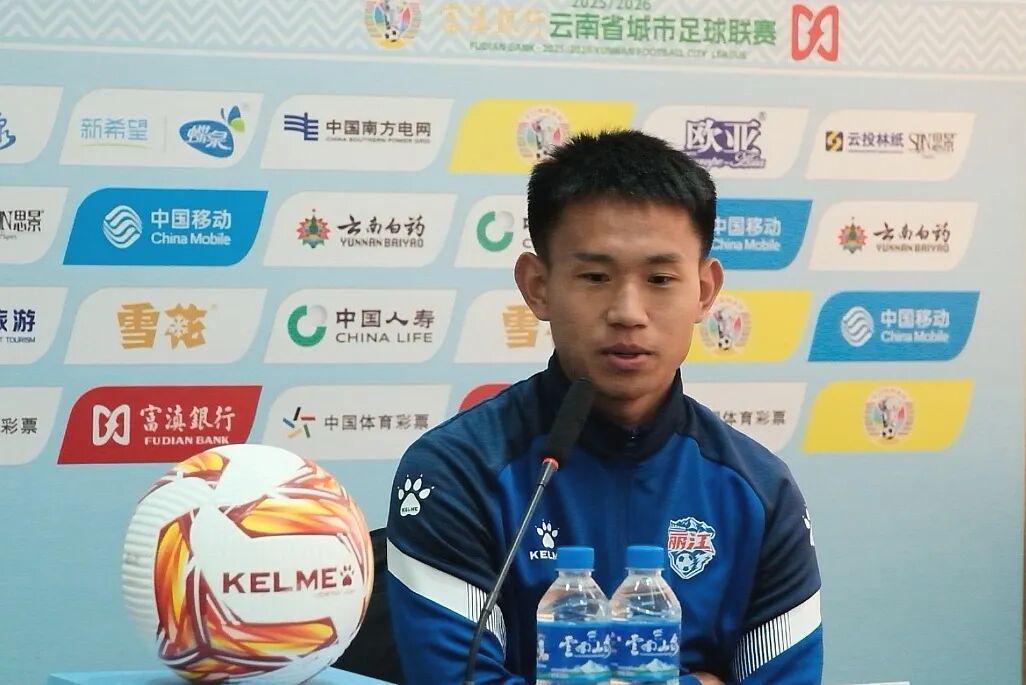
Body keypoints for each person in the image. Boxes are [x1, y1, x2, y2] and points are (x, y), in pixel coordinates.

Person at [385, 130, 822, 684]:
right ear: (537, 286)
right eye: (595, 277)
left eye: (660, 279)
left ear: (705, 290)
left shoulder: (759, 490)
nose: (628, 312)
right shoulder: (456, 472)